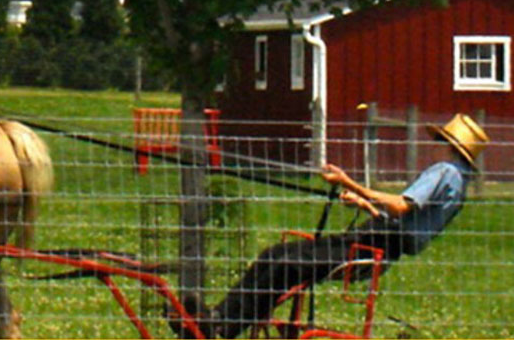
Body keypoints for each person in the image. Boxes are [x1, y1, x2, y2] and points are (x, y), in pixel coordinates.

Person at [180, 113, 488, 339]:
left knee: (284, 263)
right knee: (276, 254)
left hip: (375, 244)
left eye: (438, 140)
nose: (433, 146)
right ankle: (220, 319)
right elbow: (408, 218)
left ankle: (221, 325)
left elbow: (400, 205)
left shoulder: (444, 171)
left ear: (449, 145)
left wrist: (348, 181)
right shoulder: (457, 180)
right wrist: (364, 203)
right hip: (380, 239)